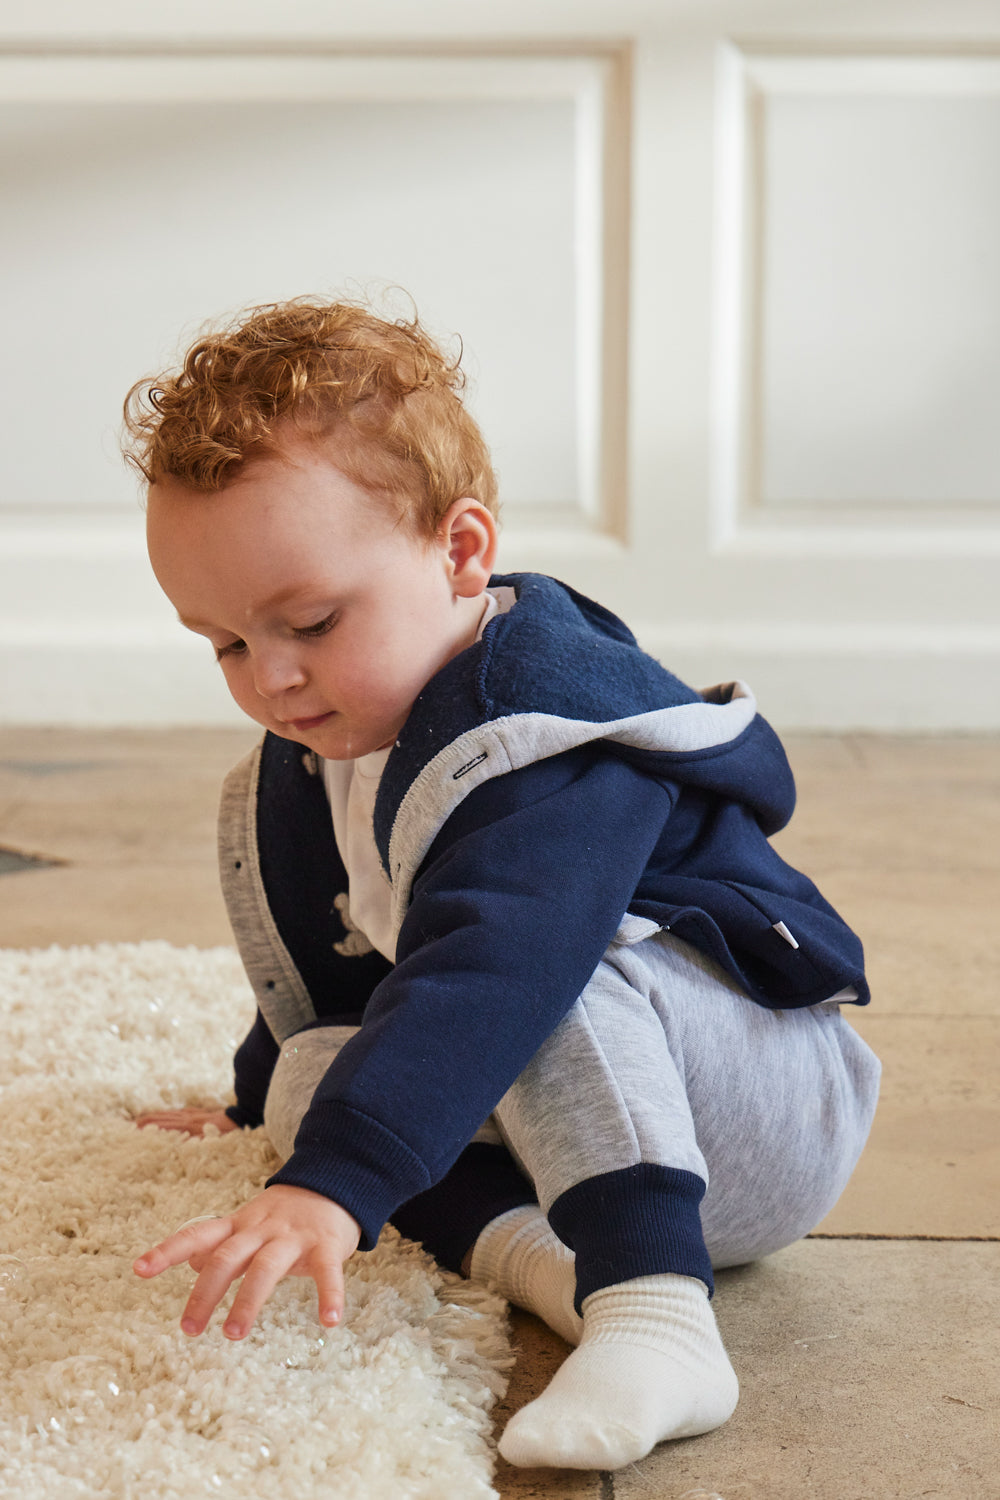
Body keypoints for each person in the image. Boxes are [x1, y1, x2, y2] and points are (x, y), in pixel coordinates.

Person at [127, 297, 880, 1472]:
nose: (270, 677)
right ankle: (554, 1269)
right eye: (225, 642)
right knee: (324, 1074)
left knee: (537, 980)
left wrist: (337, 1184)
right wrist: (256, 1092)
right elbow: (347, 951)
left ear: (460, 551)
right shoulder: (327, 744)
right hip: (571, 1124)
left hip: (754, 1113)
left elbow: (488, 971)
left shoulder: (546, 736)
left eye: (311, 621)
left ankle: (655, 1306)